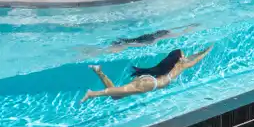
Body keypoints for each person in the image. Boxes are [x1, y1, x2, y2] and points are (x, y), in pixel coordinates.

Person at [81, 45, 213, 102]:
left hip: (147, 79)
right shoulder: (181, 66)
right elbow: (196, 59)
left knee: (116, 96)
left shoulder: (165, 66)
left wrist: (204, 51)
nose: (185, 57)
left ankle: (99, 71)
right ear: (179, 59)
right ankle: (92, 93)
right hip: (150, 83)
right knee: (117, 91)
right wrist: (207, 51)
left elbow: (194, 56)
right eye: (183, 56)